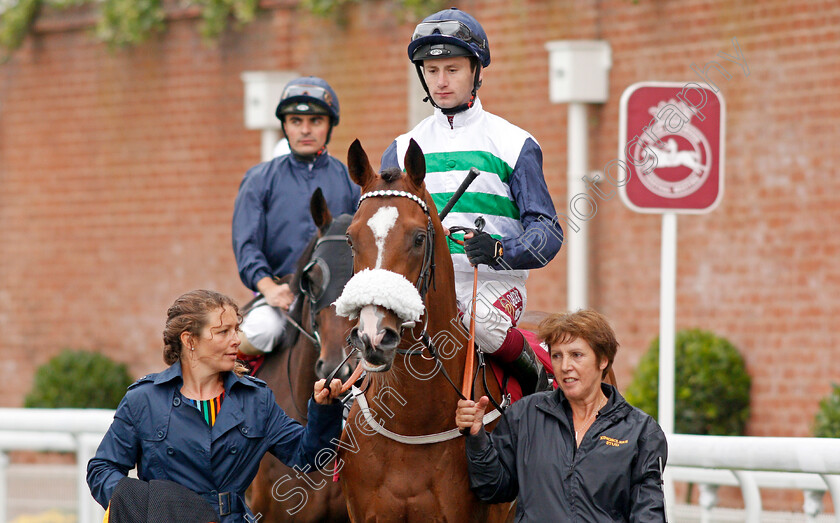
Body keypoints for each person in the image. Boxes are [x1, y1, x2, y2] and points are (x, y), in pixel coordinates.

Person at [380, 8, 563, 395]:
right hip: (419, 285)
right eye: (431, 71)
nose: (441, 81)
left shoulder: (515, 143)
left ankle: (539, 387)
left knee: (476, 319)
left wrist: (500, 250)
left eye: (452, 69)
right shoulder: (399, 150)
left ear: (476, 71)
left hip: (493, 284)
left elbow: (548, 233)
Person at [87, 290, 344, 522]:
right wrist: (153, 505)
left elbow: (307, 454)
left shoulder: (256, 399)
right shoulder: (143, 400)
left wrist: (324, 408)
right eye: (223, 332)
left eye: (236, 329)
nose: (236, 340)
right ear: (189, 341)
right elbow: (102, 470)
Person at [455, 309, 668, 521]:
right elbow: (494, 488)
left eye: (576, 355)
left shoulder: (641, 432)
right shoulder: (525, 414)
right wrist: (477, 437)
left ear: (602, 360)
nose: (565, 366)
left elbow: (649, 515)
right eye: (557, 356)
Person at [232, 76, 360, 355]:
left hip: (337, 298)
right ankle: (229, 391)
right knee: (262, 330)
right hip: (281, 294)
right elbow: (247, 246)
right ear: (285, 126)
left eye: (315, 121)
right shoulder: (258, 180)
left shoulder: (350, 183)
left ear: (329, 126)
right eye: (295, 121)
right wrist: (268, 288)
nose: (305, 130)